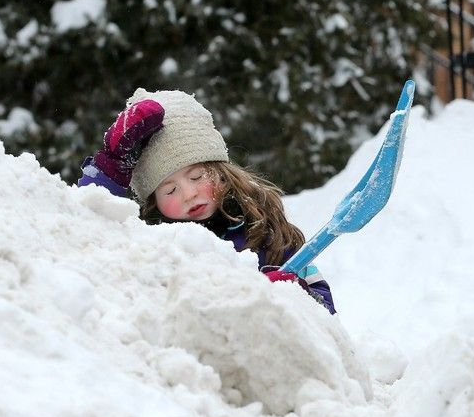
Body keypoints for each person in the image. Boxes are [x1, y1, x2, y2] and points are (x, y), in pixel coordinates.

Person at [78, 88, 335, 313]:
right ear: (153, 201)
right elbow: (88, 231)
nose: (188, 194)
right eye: (170, 190)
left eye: (197, 176)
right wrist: (111, 166)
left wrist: (296, 295)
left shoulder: (268, 235)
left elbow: (326, 314)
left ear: (221, 172)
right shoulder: (153, 247)